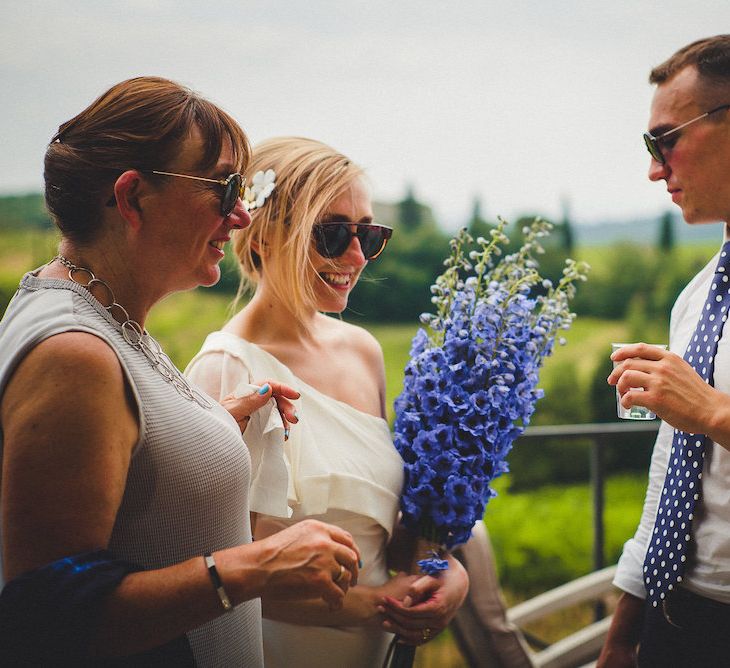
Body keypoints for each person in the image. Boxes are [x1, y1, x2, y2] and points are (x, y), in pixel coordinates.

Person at [0, 78, 362, 667]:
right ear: (133, 197)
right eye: (223, 188)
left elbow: (125, 477)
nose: (241, 214)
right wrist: (259, 564)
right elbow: (50, 621)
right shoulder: (75, 353)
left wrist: (207, 427)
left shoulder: (101, 308)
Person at [185, 136, 469, 667]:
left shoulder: (362, 351)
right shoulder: (225, 370)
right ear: (265, 235)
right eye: (334, 233)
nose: (357, 256)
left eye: (370, 233)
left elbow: (390, 519)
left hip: (378, 652)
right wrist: (373, 605)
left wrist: (448, 573)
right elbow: (210, 573)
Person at [598, 35, 730, 667]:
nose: (655, 168)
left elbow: (702, 422)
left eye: (665, 139)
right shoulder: (696, 297)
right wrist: (625, 634)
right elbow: (670, 473)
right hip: (674, 620)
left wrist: (711, 412)